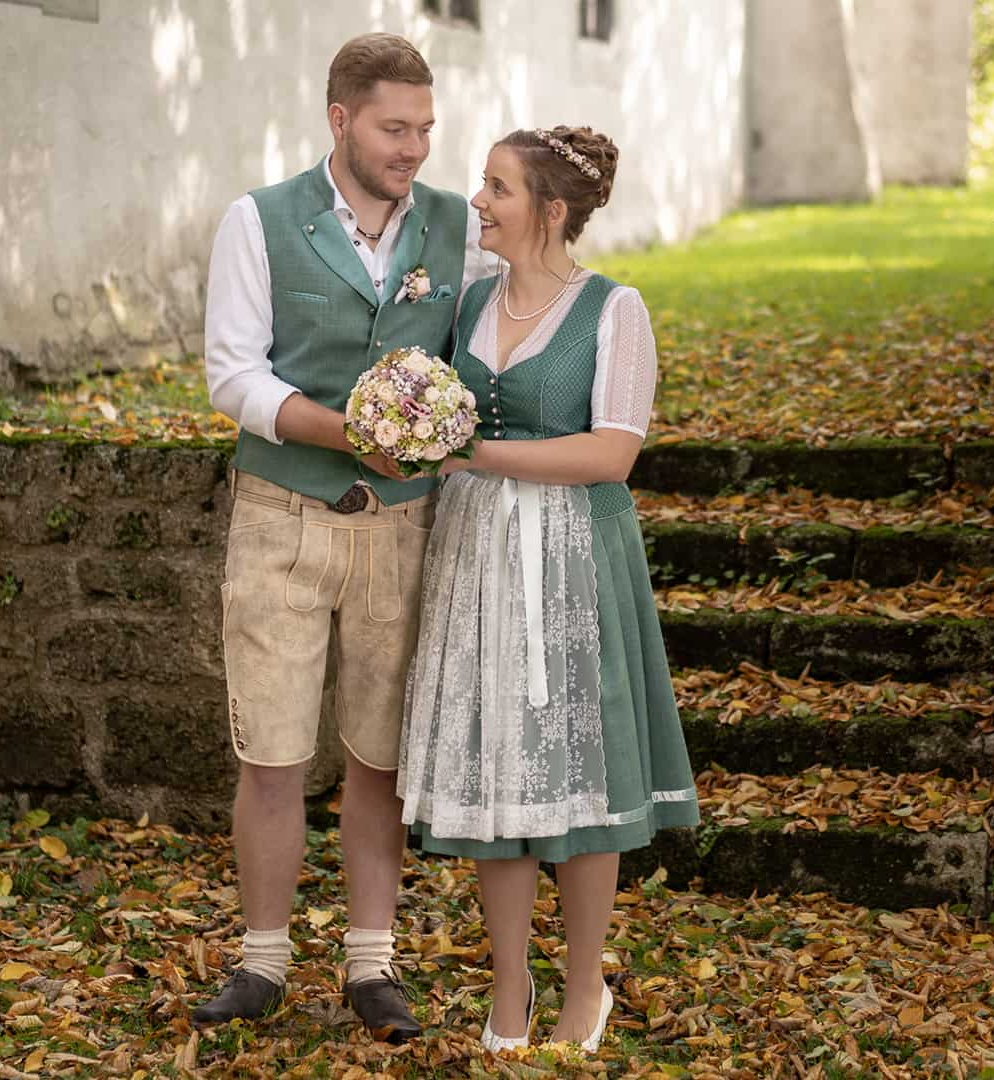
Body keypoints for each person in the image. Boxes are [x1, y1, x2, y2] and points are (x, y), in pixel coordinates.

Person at [195, 32, 485, 1040]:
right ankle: (262, 963)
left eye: (426, 130)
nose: (413, 149)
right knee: (271, 755)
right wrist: (351, 430)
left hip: (401, 534)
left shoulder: (457, 228)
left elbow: (494, 343)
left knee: (379, 759)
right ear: (340, 119)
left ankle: (372, 967)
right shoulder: (258, 219)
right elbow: (232, 373)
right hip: (281, 521)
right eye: (393, 128)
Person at [395, 125, 700, 1053]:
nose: (477, 201)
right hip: (477, 555)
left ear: (551, 210)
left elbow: (613, 452)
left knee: (579, 769)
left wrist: (470, 452)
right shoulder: (471, 303)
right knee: (497, 765)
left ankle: (584, 989)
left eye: (498, 187)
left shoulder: (615, 310)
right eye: (482, 184)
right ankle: (509, 988)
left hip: (572, 557)